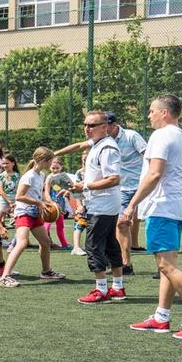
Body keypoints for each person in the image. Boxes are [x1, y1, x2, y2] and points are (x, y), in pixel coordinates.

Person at [120, 95, 182, 336]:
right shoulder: (180, 135)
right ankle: (161, 316)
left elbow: (155, 174)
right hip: (176, 207)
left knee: (166, 265)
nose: (149, 116)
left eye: (152, 111)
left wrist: (131, 206)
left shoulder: (161, 135)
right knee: (169, 265)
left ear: (164, 113)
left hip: (162, 207)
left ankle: (161, 317)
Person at [60, 111, 125, 304]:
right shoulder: (97, 143)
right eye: (85, 124)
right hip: (104, 203)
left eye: (92, 125)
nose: (87, 128)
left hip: (103, 204)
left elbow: (113, 179)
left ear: (104, 127)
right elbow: (78, 145)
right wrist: (53, 154)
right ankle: (118, 287)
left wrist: (84, 186)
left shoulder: (107, 148)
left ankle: (101, 290)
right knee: (110, 244)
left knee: (93, 246)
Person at [0, 147, 67, 287]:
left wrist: (50, 203)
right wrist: (38, 202)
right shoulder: (29, 176)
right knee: (22, 243)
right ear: (42, 160)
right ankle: (5, 277)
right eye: (50, 161)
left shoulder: (40, 175)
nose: (51, 165)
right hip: (23, 212)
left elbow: (40, 194)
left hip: (35, 213)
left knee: (46, 242)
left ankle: (46, 272)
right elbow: (19, 197)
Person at [106, 113, 147, 274]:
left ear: (114, 125)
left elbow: (148, 156)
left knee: (150, 221)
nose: (103, 128)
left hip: (141, 187)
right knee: (121, 224)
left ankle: (162, 265)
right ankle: (125, 263)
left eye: (105, 125)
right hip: (121, 189)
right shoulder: (106, 141)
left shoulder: (131, 136)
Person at [43, 158, 73, 250]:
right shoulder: (49, 177)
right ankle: (43, 242)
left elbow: (71, 186)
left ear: (61, 167)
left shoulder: (64, 176)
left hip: (61, 205)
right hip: (52, 204)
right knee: (48, 222)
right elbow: (46, 191)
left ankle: (64, 244)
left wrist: (67, 191)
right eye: (53, 168)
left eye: (57, 168)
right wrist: (50, 202)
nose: (55, 170)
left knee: (60, 226)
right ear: (50, 167)